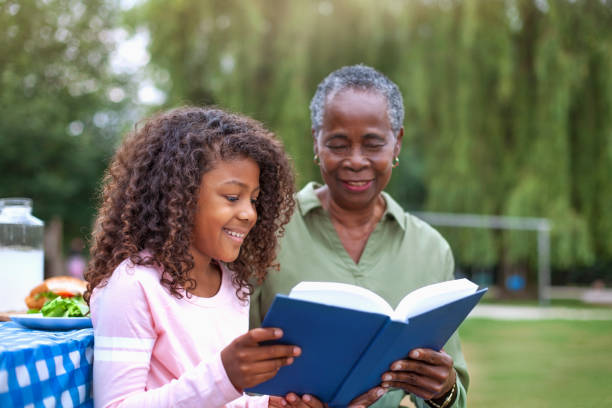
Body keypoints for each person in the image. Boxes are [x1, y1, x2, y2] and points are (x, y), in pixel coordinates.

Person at [250, 65, 469, 408]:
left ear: (397, 143)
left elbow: (452, 397)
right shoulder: (263, 231)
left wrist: (445, 389)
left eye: (373, 144)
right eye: (338, 144)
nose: (355, 161)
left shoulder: (430, 249)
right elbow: (226, 365)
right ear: (316, 141)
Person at [84, 106, 324, 408]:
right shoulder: (134, 286)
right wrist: (226, 377)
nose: (249, 213)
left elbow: (216, 400)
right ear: (178, 196)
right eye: (233, 197)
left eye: (254, 199)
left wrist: (264, 404)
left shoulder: (231, 284)